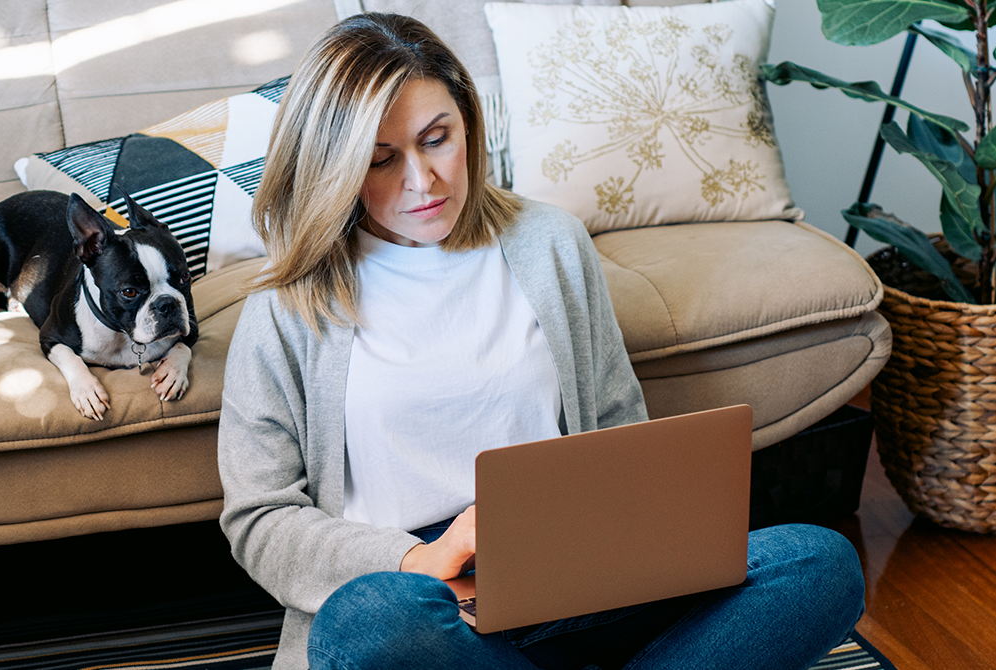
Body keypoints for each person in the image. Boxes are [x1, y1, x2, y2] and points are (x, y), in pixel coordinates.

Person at [217, 12, 865, 670]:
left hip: (578, 575)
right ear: (337, 169)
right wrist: (417, 558)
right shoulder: (285, 305)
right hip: (426, 601)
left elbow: (617, 429)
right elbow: (260, 518)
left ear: (467, 121)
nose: (424, 180)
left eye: (437, 139)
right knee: (360, 624)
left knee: (820, 562)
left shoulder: (548, 243)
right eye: (382, 160)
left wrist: (644, 545)